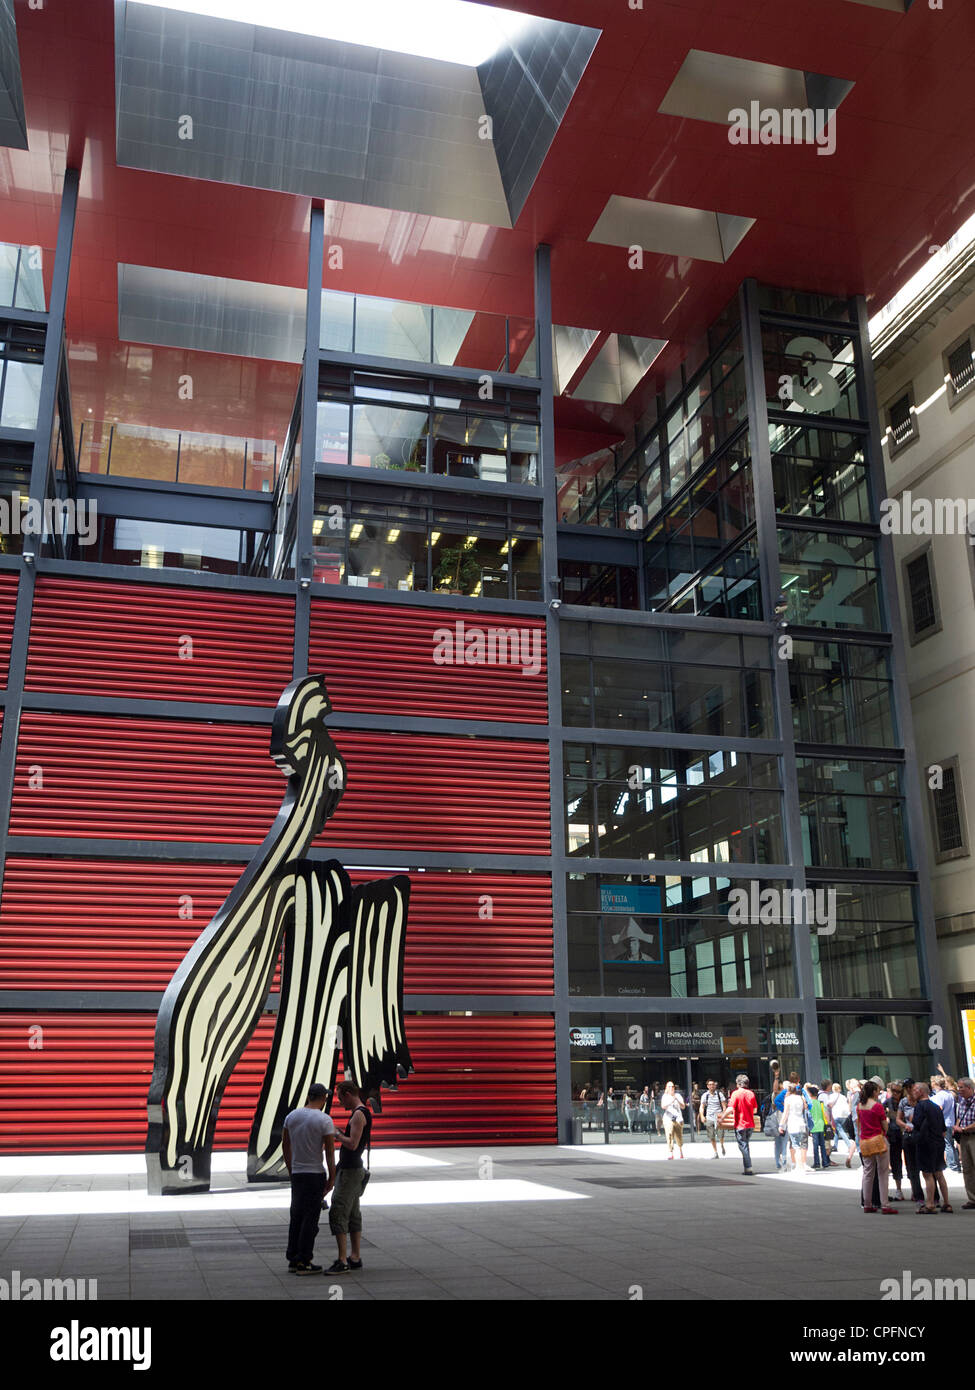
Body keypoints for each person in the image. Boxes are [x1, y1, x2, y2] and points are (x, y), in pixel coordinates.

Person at [282, 1082, 336, 1275]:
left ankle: (293, 1257)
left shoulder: (291, 1116)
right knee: (310, 1218)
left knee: (296, 1215)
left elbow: (285, 1145)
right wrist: (332, 1177)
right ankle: (304, 1260)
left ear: (308, 1096)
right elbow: (329, 1151)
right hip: (315, 1174)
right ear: (323, 1098)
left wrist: (291, 1168)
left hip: (297, 1174)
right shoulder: (325, 1120)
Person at [327, 1080, 373, 1273]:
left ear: (347, 1094)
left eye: (339, 1097)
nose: (339, 1102)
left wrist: (336, 1134)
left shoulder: (357, 1115)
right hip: (354, 1169)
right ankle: (354, 1256)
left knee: (338, 1211)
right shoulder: (364, 1113)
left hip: (350, 1171)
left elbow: (353, 1144)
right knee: (354, 1214)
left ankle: (342, 1260)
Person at [856, 1080, 897, 1214]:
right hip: (879, 1140)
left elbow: (859, 1125)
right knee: (883, 1172)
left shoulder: (860, 1106)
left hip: (865, 1141)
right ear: (874, 1092)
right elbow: (884, 1125)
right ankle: (884, 1204)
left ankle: (867, 1203)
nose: (879, 1092)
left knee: (868, 1172)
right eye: (878, 1090)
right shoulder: (877, 1106)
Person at [911, 1081, 952, 1214]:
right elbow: (943, 1129)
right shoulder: (936, 1107)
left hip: (925, 1143)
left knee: (927, 1174)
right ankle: (946, 1203)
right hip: (938, 1142)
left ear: (921, 1091)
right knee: (939, 1173)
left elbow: (916, 1123)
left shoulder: (920, 1107)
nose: (913, 1092)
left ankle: (929, 1204)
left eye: (915, 1090)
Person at [896, 1079, 927, 1208]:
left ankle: (933, 1196)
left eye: (910, 1086)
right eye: (906, 1087)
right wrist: (905, 1125)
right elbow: (898, 1119)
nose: (908, 1089)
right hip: (909, 1137)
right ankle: (918, 1194)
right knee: (912, 1168)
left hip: (922, 1136)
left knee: (926, 1167)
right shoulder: (903, 1102)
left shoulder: (921, 1100)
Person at [952, 1077, 975, 1210]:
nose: (959, 1090)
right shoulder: (962, 1102)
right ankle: (972, 1198)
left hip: (973, 1136)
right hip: (964, 1138)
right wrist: (957, 1127)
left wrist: (964, 1129)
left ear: (969, 1088)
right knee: (967, 1169)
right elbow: (960, 1117)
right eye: (958, 1087)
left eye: (961, 1087)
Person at [729, 1072, 758, 1175]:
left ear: (738, 1084)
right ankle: (747, 1167)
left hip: (740, 1124)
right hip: (750, 1124)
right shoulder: (751, 1093)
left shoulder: (735, 1094)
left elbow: (730, 1108)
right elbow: (755, 1110)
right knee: (746, 1144)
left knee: (743, 1146)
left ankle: (748, 1167)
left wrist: (721, 1117)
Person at [932, 1077, 961, 1173]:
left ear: (936, 1084)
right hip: (951, 1121)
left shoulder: (939, 1096)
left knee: (948, 1144)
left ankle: (952, 1165)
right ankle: (956, 1164)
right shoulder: (949, 1094)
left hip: (943, 1122)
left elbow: (938, 1108)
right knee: (951, 1144)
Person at [884, 1081, 906, 1200]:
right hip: (893, 1135)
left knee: (911, 1161)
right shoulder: (887, 1102)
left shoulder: (907, 1101)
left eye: (898, 1091)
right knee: (896, 1162)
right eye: (893, 1091)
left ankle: (915, 1189)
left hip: (906, 1134)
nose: (895, 1094)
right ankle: (899, 1189)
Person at [781, 1081, 808, 1175]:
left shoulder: (788, 1099)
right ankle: (802, 1165)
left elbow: (785, 1113)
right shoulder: (801, 1098)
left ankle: (799, 1167)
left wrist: (781, 1125)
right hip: (801, 1123)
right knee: (800, 1145)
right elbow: (805, 1108)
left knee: (796, 1146)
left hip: (793, 1123)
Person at [699, 1078, 728, 1158]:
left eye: (713, 1084)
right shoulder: (705, 1095)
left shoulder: (719, 1094)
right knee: (711, 1136)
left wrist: (723, 1114)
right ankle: (715, 1152)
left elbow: (724, 1105)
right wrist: (702, 1115)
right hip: (709, 1117)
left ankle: (721, 1145)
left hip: (718, 1117)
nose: (712, 1086)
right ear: (707, 1086)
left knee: (720, 1135)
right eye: (710, 1085)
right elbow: (702, 1107)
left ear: (715, 1085)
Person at [830, 1083, 856, 1166]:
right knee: (837, 1131)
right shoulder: (843, 1096)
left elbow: (829, 1105)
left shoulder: (832, 1096)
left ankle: (849, 1144)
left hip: (836, 1115)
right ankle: (835, 1145)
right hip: (844, 1115)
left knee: (840, 1130)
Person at [660, 1081, 686, 1158]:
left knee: (679, 1136)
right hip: (668, 1119)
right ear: (666, 1088)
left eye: (672, 1087)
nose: (671, 1088)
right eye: (669, 1087)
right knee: (669, 1135)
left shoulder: (678, 1095)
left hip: (678, 1119)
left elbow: (683, 1106)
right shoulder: (665, 1096)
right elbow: (663, 1106)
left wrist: (677, 1100)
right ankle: (671, 1153)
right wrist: (671, 1100)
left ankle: (681, 1151)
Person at [807, 1084, 828, 1170]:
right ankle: (825, 1162)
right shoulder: (820, 1103)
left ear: (810, 1094)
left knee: (815, 1146)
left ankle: (817, 1162)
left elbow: (808, 1115)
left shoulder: (809, 1104)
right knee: (822, 1145)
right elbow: (825, 1115)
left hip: (814, 1126)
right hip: (821, 1125)